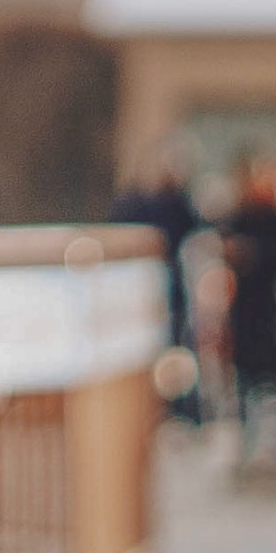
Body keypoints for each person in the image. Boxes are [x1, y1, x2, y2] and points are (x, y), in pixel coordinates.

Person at [218, 152, 276, 485]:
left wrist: (251, 254)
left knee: (273, 385)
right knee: (244, 387)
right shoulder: (238, 216)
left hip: (270, 314)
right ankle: (248, 451)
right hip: (243, 314)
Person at [111, 148, 203, 420]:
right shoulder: (134, 205)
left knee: (173, 349)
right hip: (139, 293)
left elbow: (199, 226)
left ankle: (177, 408)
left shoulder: (178, 204)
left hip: (170, 291)